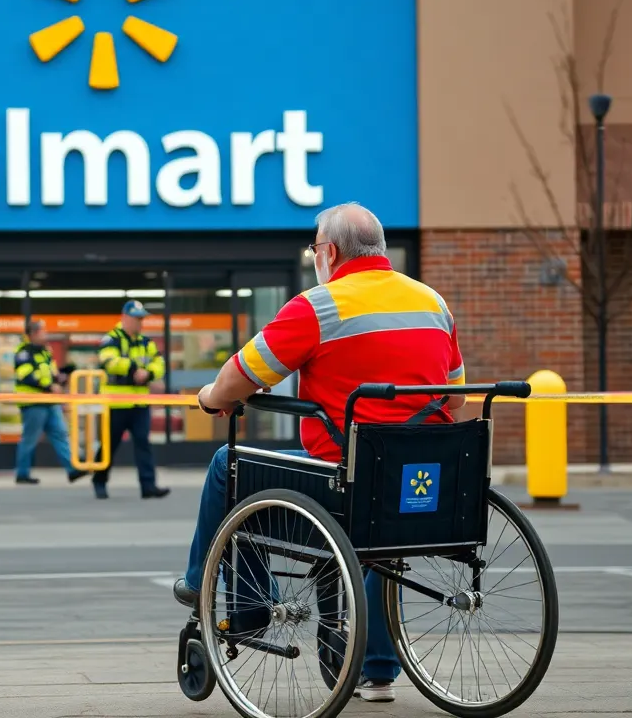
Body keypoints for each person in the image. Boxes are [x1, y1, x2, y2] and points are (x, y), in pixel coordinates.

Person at [171, 202, 467, 704]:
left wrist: (210, 399)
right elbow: (455, 399)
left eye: (314, 248)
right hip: (422, 488)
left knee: (231, 467)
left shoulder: (319, 306)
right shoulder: (432, 302)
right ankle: (375, 670)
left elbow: (240, 377)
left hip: (343, 483)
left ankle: (206, 586)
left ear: (328, 252)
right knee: (378, 526)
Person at [93, 300, 170, 500]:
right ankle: (99, 481)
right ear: (125, 318)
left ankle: (148, 486)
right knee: (109, 444)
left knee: (143, 443)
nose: (140, 323)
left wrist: (149, 373)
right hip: (116, 403)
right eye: (136, 319)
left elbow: (159, 363)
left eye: (141, 319)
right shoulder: (111, 339)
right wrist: (135, 370)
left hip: (139, 403)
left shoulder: (146, 342)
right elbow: (109, 362)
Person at [13, 318, 89, 485]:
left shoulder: (44, 351)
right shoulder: (24, 352)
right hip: (33, 402)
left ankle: (72, 469)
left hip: (49, 400)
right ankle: (22, 474)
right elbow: (26, 377)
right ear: (33, 334)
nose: (46, 334)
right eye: (43, 331)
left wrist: (61, 377)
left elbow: (50, 373)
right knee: (30, 438)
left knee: (60, 433)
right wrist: (49, 387)